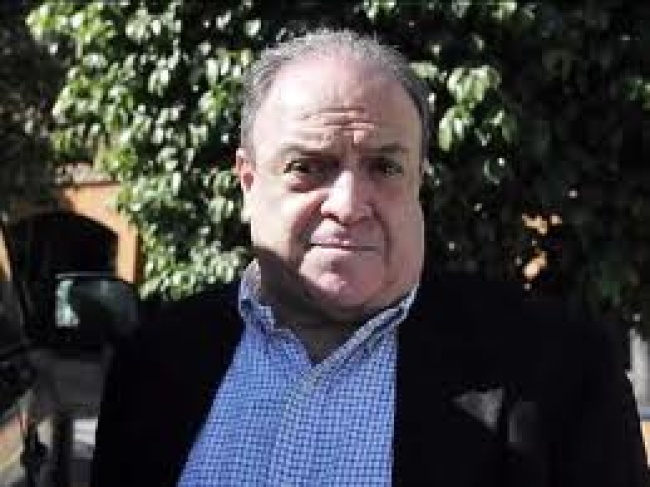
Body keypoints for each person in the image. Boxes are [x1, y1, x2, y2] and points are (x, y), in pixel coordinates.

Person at [90, 29, 649, 487]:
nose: (349, 205)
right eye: (308, 167)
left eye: (384, 167)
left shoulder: (560, 372)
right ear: (248, 182)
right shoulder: (152, 366)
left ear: (418, 182)